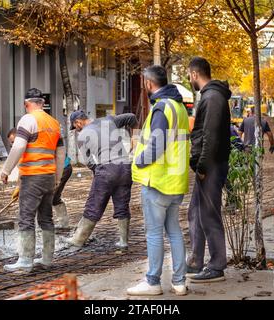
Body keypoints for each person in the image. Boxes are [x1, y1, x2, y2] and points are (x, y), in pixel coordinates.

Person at [127, 65, 189, 296]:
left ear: (148, 84)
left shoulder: (162, 108)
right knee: (174, 231)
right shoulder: (179, 107)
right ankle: (179, 282)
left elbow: (156, 145)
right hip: (176, 181)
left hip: (158, 181)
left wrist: (138, 160)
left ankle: (153, 281)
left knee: (154, 233)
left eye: (143, 82)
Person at [1, 88, 65, 273]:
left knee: (26, 218)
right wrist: (57, 177)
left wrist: (6, 170)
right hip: (49, 177)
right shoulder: (54, 123)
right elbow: (60, 154)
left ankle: (25, 260)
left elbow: (19, 146)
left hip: (33, 177)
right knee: (46, 218)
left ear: (26, 104)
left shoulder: (28, 119)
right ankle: (46, 259)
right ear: (43, 103)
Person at [186, 57, 230, 283]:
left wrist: (201, 166)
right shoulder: (210, 95)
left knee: (209, 214)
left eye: (188, 75)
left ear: (195, 74)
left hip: (211, 165)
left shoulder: (212, 97)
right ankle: (196, 261)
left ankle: (216, 266)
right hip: (208, 165)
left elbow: (210, 136)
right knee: (195, 212)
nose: (188, 79)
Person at [66, 110, 138, 249]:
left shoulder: (82, 136)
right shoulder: (109, 120)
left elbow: (88, 162)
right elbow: (132, 117)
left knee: (94, 205)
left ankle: (78, 240)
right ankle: (123, 241)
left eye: (75, 127)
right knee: (122, 204)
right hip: (125, 167)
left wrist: (97, 172)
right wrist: (135, 138)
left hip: (106, 170)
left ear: (78, 122)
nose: (76, 130)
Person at [7, 127, 73, 230]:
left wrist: (19, 187)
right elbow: (23, 170)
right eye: (11, 143)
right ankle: (62, 224)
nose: (12, 145)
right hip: (57, 168)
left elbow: (22, 171)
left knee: (44, 199)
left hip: (61, 168)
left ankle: (45, 227)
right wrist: (18, 187)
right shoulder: (28, 143)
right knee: (53, 197)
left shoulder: (26, 146)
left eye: (13, 142)